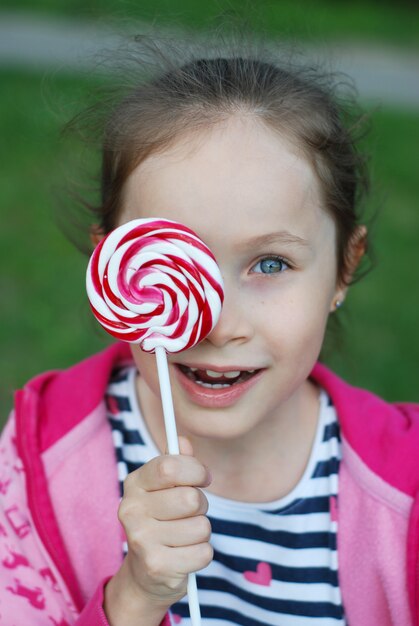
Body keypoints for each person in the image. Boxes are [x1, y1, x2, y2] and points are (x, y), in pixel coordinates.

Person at [0, 38, 418, 626]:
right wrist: (133, 600)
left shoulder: (407, 487)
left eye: (270, 263)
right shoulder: (43, 457)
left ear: (343, 268)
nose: (216, 324)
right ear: (113, 264)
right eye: (170, 265)